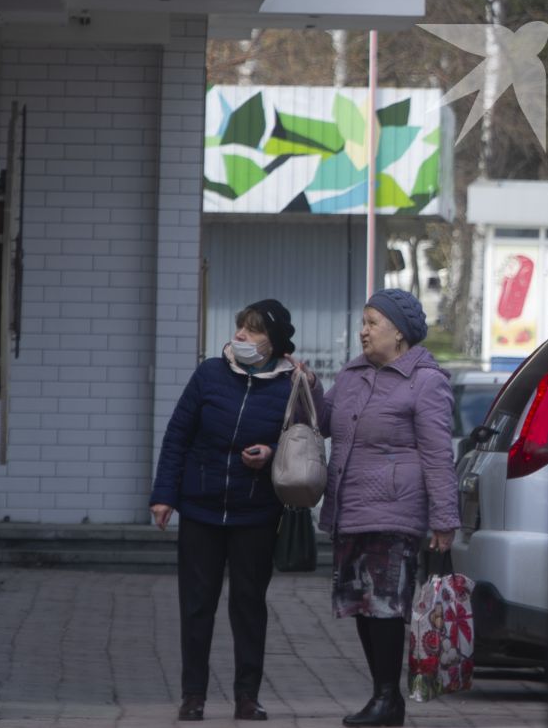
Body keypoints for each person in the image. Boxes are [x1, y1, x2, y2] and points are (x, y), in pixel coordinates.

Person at [151, 299, 320, 723]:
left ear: (275, 343)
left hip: (256, 513)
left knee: (248, 605)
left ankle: (248, 696)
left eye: (253, 330)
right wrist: (164, 495)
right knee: (196, 605)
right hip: (201, 509)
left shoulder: (289, 384)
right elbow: (177, 436)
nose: (241, 336)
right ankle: (193, 696)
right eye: (240, 327)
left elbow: (307, 440)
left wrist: (272, 452)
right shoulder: (210, 373)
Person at [320, 288, 457, 728]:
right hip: (351, 506)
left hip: (395, 509)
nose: (363, 331)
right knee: (363, 603)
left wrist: (444, 518)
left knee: (385, 605)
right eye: (363, 322)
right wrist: (302, 384)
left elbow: (438, 453)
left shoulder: (425, 380)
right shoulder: (351, 374)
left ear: (399, 333)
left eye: (372, 322)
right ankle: (385, 698)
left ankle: (385, 698)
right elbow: (322, 421)